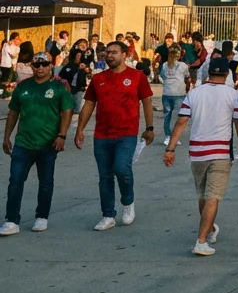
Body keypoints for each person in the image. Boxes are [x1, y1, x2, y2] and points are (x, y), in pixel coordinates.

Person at [162, 56, 238, 255]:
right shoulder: (233, 95)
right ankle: (201, 240)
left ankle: (210, 229)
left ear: (208, 73)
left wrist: (170, 149)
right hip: (220, 152)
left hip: (197, 152)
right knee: (212, 197)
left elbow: (181, 122)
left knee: (203, 196)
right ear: (227, 73)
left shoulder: (194, 93)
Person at [73, 41, 155, 231]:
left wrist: (150, 128)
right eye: (107, 52)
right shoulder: (98, 78)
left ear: (125, 54)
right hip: (102, 134)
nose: (109, 55)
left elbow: (147, 101)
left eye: (114, 52)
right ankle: (108, 215)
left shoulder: (137, 77)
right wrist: (80, 129)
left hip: (126, 133)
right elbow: (89, 105)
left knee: (122, 168)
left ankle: (128, 202)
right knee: (104, 176)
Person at [1, 52, 74, 235]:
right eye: (36, 64)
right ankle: (11, 220)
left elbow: (67, 112)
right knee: (15, 181)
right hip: (23, 143)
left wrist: (62, 135)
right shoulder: (23, 87)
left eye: (44, 64)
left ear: (51, 66)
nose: (40, 68)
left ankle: (41, 216)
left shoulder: (59, 87)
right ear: (31, 66)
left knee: (46, 182)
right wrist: (6, 137)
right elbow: (13, 113)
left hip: (48, 143)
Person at [159, 46, 191, 145]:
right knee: (178, 116)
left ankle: (168, 136)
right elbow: (187, 77)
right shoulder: (183, 65)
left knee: (167, 115)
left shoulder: (165, 65)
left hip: (167, 92)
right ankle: (175, 136)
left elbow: (162, 76)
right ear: (179, 55)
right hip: (179, 93)